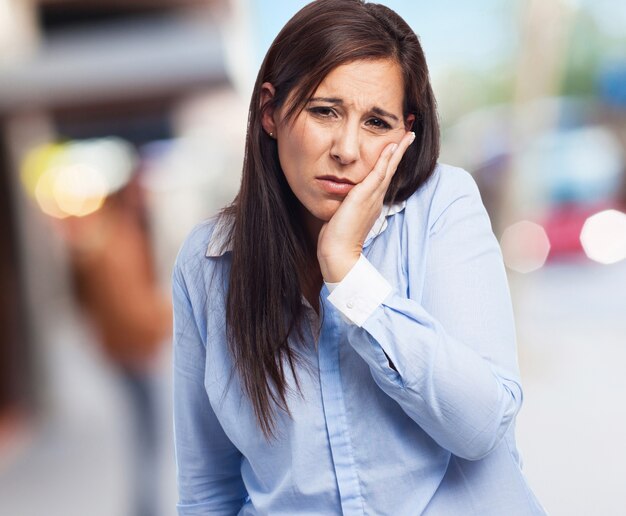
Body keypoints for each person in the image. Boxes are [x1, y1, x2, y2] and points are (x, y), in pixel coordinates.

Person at [172, 1, 546, 514]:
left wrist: (350, 275)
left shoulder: (442, 208)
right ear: (270, 111)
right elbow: (207, 488)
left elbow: (480, 426)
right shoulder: (208, 263)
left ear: (405, 135)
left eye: (376, 122)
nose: (347, 149)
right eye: (325, 111)